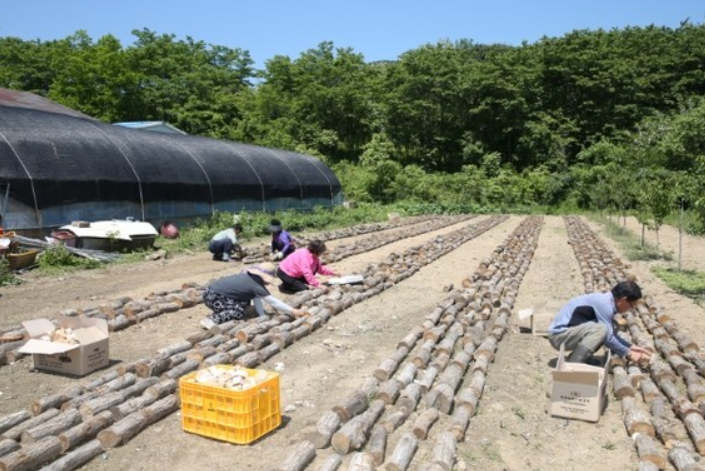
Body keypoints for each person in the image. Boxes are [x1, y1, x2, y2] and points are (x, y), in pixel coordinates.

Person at [548, 280, 652, 364]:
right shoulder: (604, 304)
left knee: (612, 327)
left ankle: (579, 356)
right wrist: (628, 353)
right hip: (559, 337)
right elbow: (608, 337)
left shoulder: (607, 301)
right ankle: (576, 363)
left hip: (568, 334)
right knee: (602, 329)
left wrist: (632, 347)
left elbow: (610, 334)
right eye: (631, 305)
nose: (631, 308)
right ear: (623, 300)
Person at [201, 262, 306, 329]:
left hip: (211, 293)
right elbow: (274, 302)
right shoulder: (256, 286)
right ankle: (212, 320)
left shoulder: (251, 278)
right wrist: (293, 311)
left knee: (244, 303)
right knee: (238, 312)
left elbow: (256, 299)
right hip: (213, 296)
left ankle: (222, 312)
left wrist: (262, 316)